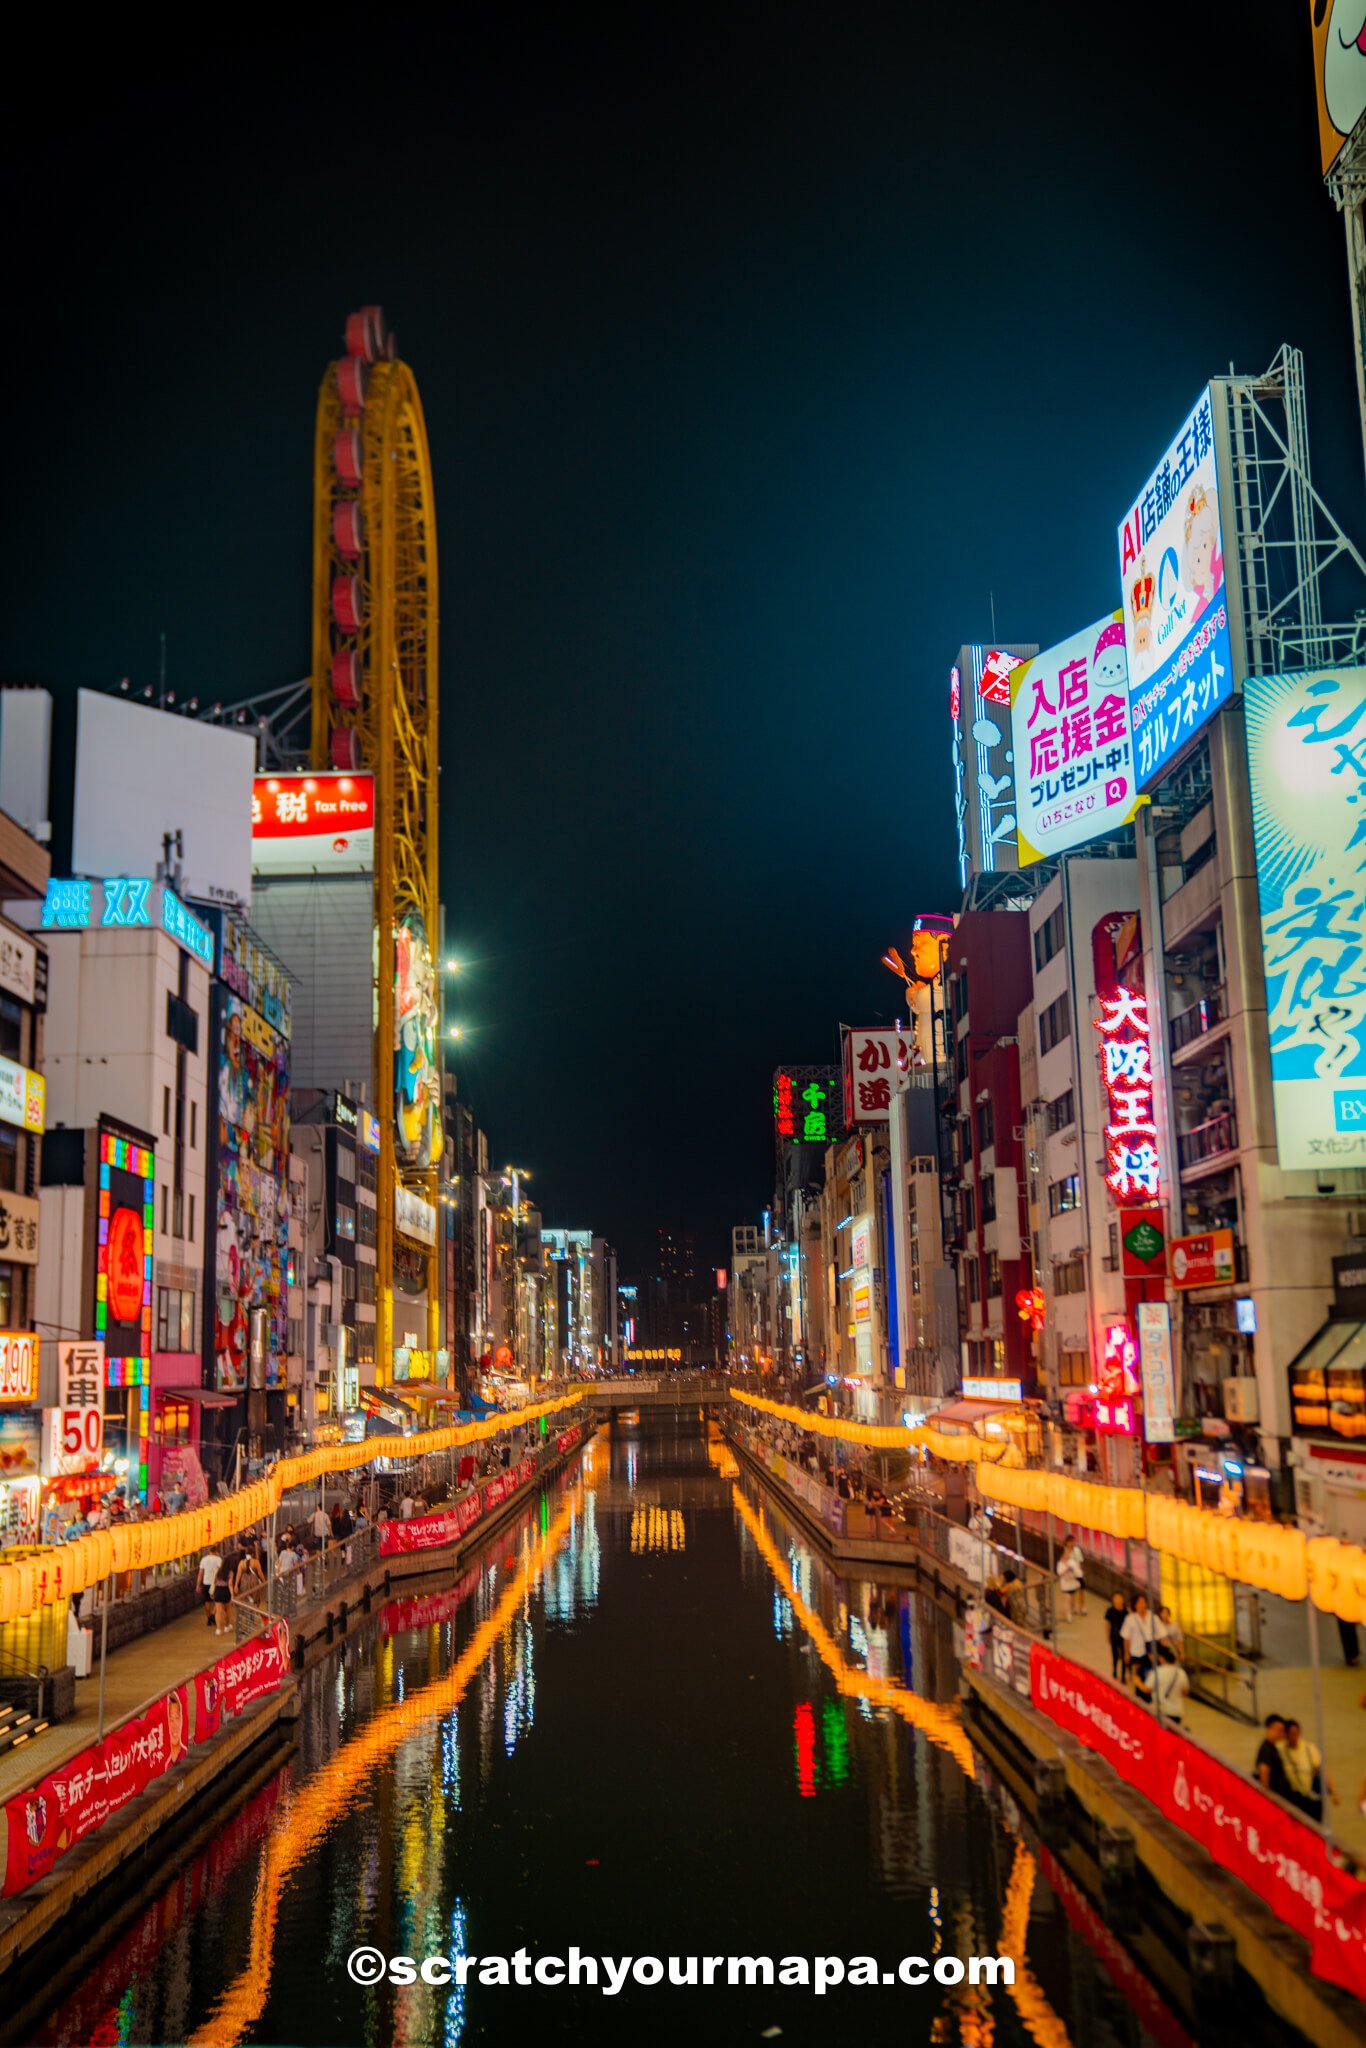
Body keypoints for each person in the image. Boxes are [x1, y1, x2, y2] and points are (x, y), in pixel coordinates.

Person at [1280, 1719, 1335, 1824]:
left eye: (1296, 1733)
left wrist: (1333, 1791)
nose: (1294, 1736)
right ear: (1286, 1735)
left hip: (1311, 1797)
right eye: (1291, 1733)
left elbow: (1321, 1770)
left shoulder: (1309, 1748)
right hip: (1294, 1797)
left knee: (1315, 1826)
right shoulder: (1281, 1750)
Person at [1255, 1715, 1294, 1801]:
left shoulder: (1273, 1748)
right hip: (1276, 1799)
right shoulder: (1266, 1750)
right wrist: (1268, 1800)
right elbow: (1264, 1774)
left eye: (1283, 1731)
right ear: (1269, 1729)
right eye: (1279, 1731)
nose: (1282, 1734)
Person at [1121, 1594, 1158, 1681]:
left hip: (1149, 1652)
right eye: (1140, 1602)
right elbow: (1126, 1638)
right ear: (1135, 1605)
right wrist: (1126, 1653)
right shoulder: (1130, 1619)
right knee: (1135, 1673)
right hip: (1135, 1651)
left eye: (1144, 1602)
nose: (1143, 1604)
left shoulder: (1152, 1617)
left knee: (1148, 1674)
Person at [1153, 1644, 1190, 1724]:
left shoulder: (1158, 1671)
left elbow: (1147, 1689)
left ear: (1161, 1659)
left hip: (1163, 1710)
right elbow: (1185, 1692)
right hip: (1177, 1711)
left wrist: (1136, 1679)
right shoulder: (1181, 1673)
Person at [1057, 1538, 1086, 1620]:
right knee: (1068, 1598)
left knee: (1079, 1592)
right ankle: (1069, 1612)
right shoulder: (1062, 1559)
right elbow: (1059, 1572)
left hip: (1075, 1578)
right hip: (1066, 1582)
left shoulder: (1076, 1551)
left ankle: (1081, 1607)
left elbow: (1080, 1562)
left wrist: (1080, 1572)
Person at [1104, 1592, 1129, 1681]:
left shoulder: (1126, 1612)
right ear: (1113, 1600)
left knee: (1124, 1656)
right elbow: (1107, 1624)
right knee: (1115, 1656)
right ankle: (1114, 1672)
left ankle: (1123, 1675)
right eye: (1116, 1598)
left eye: (1120, 1598)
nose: (1118, 1600)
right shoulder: (1110, 1611)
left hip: (1124, 1638)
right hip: (1114, 1636)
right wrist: (1107, 1636)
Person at [199, 1545, 224, 1629]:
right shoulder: (219, 1560)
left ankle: (209, 1617)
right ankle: (213, 1614)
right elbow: (221, 1571)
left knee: (207, 1601)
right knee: (217, 1601)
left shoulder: (204, 1559)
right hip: (215, 1582)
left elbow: (201, 1573)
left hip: (206, 1582)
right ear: (216, 1551)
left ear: (209, 1551)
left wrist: (198, 1584)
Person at [211, 1551, 234, 1636]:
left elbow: (213, 1581)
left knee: (218, 1611)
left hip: (218, 1591)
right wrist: (232, 1595)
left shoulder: (217, 1570)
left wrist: (213, 1591)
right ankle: (227, 1626)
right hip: (226, 1591)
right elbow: (230, 1584)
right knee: (227, 1610)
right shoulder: (230, 1572)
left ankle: (218, 1629)